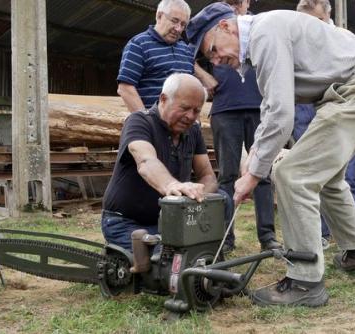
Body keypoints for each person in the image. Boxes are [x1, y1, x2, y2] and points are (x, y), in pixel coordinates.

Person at [187, 3, 355, 307]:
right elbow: (271, 108)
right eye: (210, 58)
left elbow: (281, 115)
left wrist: (254, 174)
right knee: (329, 180)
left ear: (227, 26)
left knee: (292, 175)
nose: (216, 60)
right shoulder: (262, 40)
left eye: (214, 50)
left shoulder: (265, 34)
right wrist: (256, 154)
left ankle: (305, 281)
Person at [294, 0, 355, 254]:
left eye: (317, 21)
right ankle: (319, 235)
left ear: (328, 14)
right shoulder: (299, 40)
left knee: (348, 176)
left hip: (342, 108)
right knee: (309, 174)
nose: (312, 27)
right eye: (306, 22)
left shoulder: (346, 38)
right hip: (306, 111)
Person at [102, 73, 222, 252]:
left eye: (196, 111)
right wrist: (172, 185)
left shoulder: (193, 130)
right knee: (169, 262)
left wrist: (198, 194)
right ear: (164, 99)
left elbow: (207, 176)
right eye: (184, 108)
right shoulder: (139, 122)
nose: (190, 116)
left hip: (170, 222)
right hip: (125, 222)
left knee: (201, 256)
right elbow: (145, 161)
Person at [202, 0, 281, 253]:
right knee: (226, 175)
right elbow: (182, 51)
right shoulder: (211, 31)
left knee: (263, 174)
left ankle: (267, 237)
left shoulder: (260, 27)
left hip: (259, 107)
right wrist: (205, 76)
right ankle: (226, 238)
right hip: (225, 109)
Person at [116, 0, 194, 112]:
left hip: (184, 125)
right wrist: (146, 121)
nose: (178, 29)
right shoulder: (139, 44)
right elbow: (125, 88)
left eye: (183, 24)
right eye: (174, 21)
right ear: (159, 16)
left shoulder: (186, 50)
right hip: (154, 124)